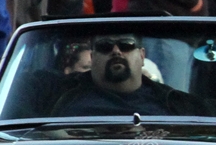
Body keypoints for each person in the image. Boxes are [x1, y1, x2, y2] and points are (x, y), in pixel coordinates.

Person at [51, 32, 205, 116]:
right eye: (105, 46)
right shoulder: (62, 97)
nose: (116, 51)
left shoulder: (176, 104)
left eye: (126, 45)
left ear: (142, 56)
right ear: (93, 57)